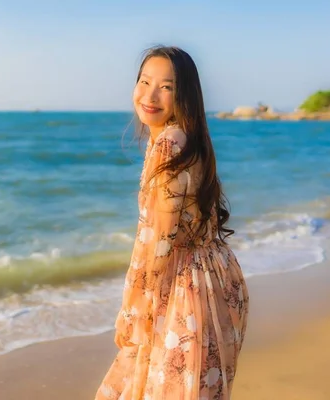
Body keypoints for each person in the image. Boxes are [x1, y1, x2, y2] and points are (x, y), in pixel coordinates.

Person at [95, 46, 249, 400]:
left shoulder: (169, 144)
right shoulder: (185, 137)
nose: (150, 95)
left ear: (185, 96)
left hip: (186, 287)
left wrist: (132, 309)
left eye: (166, 86)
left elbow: (158, 241)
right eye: (145, 81)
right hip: (215, 275)